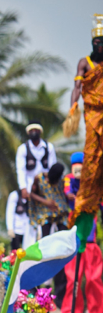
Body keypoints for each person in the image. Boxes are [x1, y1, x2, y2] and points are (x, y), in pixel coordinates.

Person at [66, 15, 103, 227]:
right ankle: (86, 200)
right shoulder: (85, 63)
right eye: (97, 42)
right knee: (91, 156)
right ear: (92, 44)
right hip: (92, 115)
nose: (100, 46)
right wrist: (73, 106)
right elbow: (77, 88)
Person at [16, 121, 57, 208]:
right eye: (31, 130)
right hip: (31, 187)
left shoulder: (49, 147)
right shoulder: (23, 149)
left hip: (46, 185)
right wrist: (23, 188)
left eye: (36, 130)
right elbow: (21, 170)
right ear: (28, 133)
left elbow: (53, 167)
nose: (34, 132)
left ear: (40, 132)